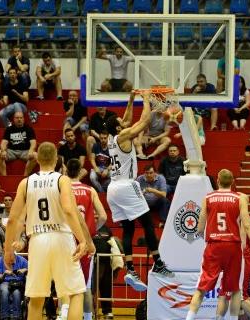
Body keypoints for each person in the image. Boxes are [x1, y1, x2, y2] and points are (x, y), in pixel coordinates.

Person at [4, 142, 94, 320]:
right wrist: (83, 240)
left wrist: (8, 249)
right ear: (57, 159)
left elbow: (13, 219)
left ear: (37, 158)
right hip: (61, 237)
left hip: (37, 240)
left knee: (36, 299)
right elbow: (70, 211)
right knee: (76, 293)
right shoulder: (63, 180)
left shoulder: (25, 182)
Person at [106, 91, 173, 292]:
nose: (125, 120)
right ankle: (159, 263)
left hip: (113, 188)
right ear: (119, 127)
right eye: (121, 122)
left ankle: (131, 269)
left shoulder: (111, 137)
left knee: (128, 229)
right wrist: (146, 100)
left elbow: (125, 119)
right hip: (126, 185)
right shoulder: (124, 135)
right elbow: (143, 122)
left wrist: (131, 99)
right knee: (147, 224)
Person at [186, 169, 250, 320]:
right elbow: (247, 226)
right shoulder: (239, 198)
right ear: (233, 182)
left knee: (201, 289)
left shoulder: (208, 197)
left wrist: (203, 234)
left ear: (217, 180)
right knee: (235, 290)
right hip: (233, 247)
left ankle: (189, 318)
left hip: (214, 245)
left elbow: (200, 225)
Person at [66, 158, 107, 320]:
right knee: (85, 287)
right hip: (85, 243)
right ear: (81, 171)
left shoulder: (62, 189)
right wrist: (90, 231)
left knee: (65, 286)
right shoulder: (90, 190)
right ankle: (88, 318)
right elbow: (103, 216)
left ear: (65, 170)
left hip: (66, 241)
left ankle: (64, 315)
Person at [0, 112, 37, 177]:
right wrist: (3, 151)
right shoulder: (9, 129)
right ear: (14, 119)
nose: (19, 119)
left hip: (25, 152)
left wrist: (31, 151)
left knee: (35, 155)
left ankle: (25, 176)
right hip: (11, 151)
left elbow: (33, 143)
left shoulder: (29, 129)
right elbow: (3, 143)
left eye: (21, 118)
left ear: (23, 119)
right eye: (17, 118)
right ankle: (4, 177)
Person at [0, 251, 28, 320]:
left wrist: (24, 269)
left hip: (18, 282)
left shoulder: (22, 260)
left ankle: (16, 316)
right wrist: (5, 273)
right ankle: (4, 316)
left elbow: (31, 269)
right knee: (4, 291)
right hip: (5, 281)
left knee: (16, 293)